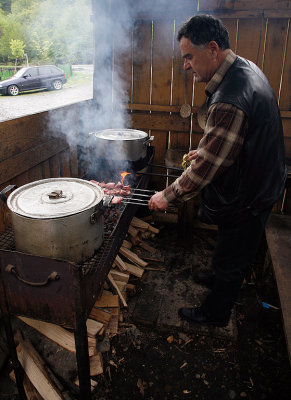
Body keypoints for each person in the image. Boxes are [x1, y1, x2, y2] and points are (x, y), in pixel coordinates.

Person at [148, 14, 286, 327]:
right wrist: (208, 151)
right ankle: (216, 276)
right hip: (257, 178)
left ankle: (215, 314)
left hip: (250, 194)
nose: (185, 65)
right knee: (228, 243)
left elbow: (207, 168)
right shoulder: (244, 68)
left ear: (212, 49)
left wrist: (167, 196)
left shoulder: (230, 98)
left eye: (188, 56)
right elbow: (233, 140)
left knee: (234, 258)